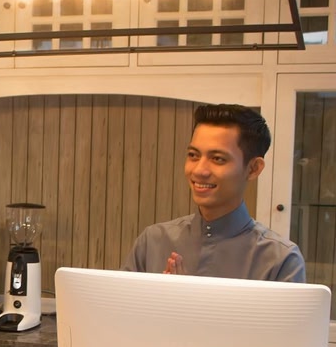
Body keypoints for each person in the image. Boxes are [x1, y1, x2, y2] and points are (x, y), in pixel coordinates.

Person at [122, 103, 306, 282]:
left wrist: (185, 297)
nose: (199, 170)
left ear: (253, 169)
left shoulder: (281, 260)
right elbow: (120, 302)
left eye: (217, 159)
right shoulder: (152, 242)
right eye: (193, 155)